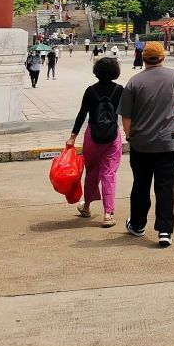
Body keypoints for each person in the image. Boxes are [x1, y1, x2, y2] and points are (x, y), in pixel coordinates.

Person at [119, 41, 174, 248]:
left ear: (143, 59)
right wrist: (170, 110)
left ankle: (137, 225)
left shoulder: (134, 82)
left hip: (141, 143)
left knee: (140, 185)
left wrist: (129, 135)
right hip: (167, 143)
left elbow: (126, 116)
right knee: (165, 186)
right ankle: (165, 230)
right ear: (163, 57)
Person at [67, 56, 124, 228]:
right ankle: (108, 214)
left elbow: (82, 114)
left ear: (96, 71)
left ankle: (86, 207)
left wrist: (73, 136)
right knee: (108, 174)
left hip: (92, 136)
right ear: (115, 72)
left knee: (92, 172)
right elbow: (128, 113)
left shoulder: (90, 90)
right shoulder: (120, 90)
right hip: (113, 136)